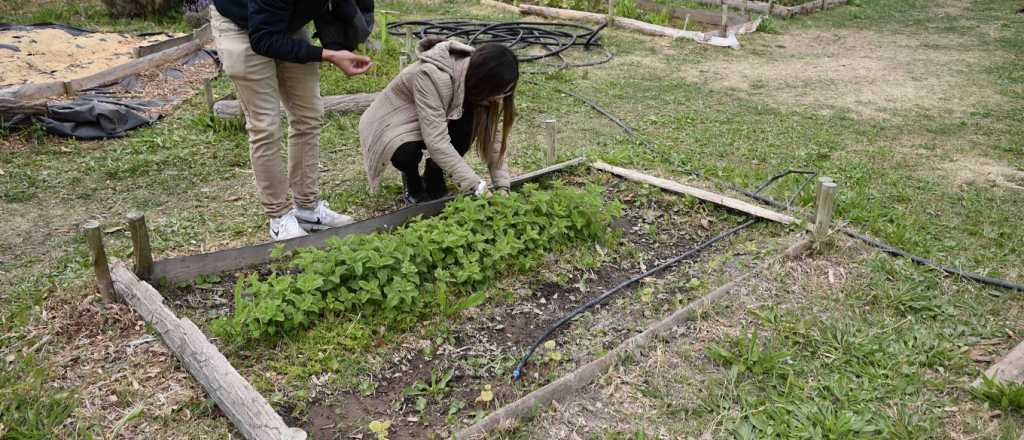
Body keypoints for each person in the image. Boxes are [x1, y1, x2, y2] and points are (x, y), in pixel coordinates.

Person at [210, 0, 374, 241]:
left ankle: (307, 207)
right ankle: (279, 217)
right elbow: (264, 38)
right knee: (265, 125)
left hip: (286, 21)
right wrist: (327, 55)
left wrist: (340, 45)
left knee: (308, 115)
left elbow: (342, 9)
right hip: (241, 27)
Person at [359, 38, 519, 203]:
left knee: (467, 127)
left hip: (432, 117)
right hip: (392, 122)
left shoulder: (478, 83)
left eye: (506, 93)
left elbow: (494, 138)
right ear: (485, 82)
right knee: (406, 152)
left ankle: (433, 176)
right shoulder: (432, 75)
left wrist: (502, 186)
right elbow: (436, 141)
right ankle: (412, 182)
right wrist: (477, 186)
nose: (500, 99)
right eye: (500, 92)